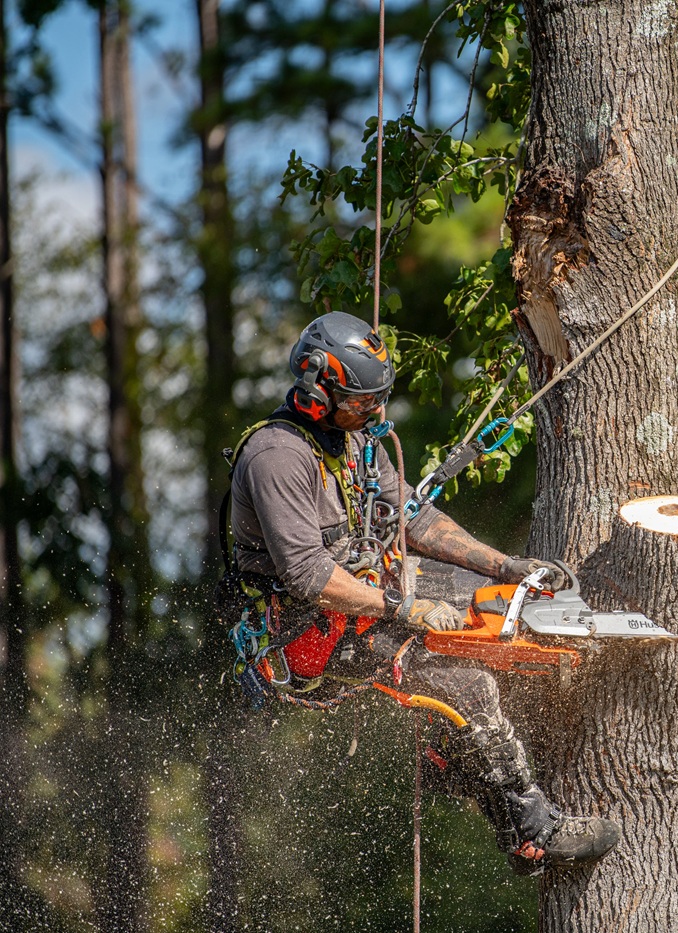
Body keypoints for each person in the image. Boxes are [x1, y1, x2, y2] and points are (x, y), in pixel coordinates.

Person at [218, 310, 619, 875]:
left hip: (367, 596)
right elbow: (307, 574)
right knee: (467, 679)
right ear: (316, 391)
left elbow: (415, 519)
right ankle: (535, 828)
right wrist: (406, 608)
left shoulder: (356, 441)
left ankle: (452, 758)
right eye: (362, 401)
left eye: (379, 399)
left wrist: (503, 565)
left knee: (498, 605)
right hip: (304, 632)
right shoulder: (277, 457)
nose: (374, 412)